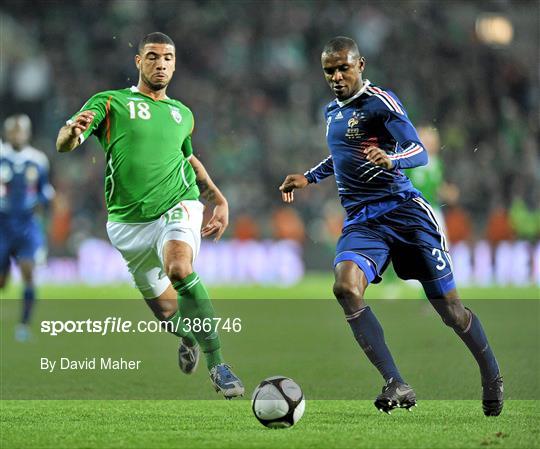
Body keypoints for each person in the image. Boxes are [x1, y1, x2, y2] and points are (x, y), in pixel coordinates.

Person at [279, 36, 503, 416]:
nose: (335, 76)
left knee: (451, 313)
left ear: (360, 65)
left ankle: (491, 374)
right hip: (363, 222)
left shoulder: (380, 102)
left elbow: (417, 149)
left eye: (342, 68)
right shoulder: (332, 111)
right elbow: (341, 156)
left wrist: (392, 159)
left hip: (406, 215)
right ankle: (396, 382)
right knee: (345, 287)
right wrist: (309, 177)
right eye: (328, 70)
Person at [56, 32, 243, 399]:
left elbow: (188, 159)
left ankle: (218, 363)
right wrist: (68, 134)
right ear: (138, 62)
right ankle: (188, 337)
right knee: (167, 313)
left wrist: (218, 199)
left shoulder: (182, 114)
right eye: (153, 56)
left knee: (179, 268)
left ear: (175, 63)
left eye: (168, 57)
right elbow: (69, 140)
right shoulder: (111, 102)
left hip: (179, 204)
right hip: (127, 225)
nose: (161, 64)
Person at [1, 114, 54, 341]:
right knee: (1, 283)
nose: (17, 134)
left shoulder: (38, 160)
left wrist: (44, 226)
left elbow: (44, 193)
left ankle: (23, 325)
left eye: (21, 130)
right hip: (2, 223)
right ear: (6, 133)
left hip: (27, 224)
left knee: (28, 270)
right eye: (13, 130)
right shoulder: (1, 156)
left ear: (28, 133)